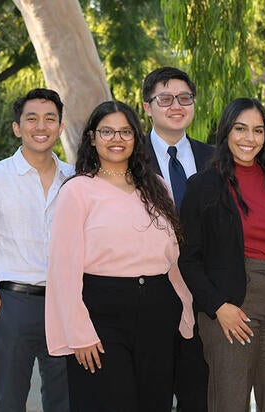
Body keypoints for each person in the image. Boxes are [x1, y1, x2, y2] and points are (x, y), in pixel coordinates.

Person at [45, 101, 195, 411]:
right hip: (101, 311)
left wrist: (185, 306)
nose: (117, 138)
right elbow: (63, 269)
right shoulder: (78, 191)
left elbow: (172, 256)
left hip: (158, 307)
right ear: (92, 138)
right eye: (107, 131)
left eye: (125, 131)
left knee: (154, 402)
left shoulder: (157, 187)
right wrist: (79, 332)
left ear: (136, 137)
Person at [179, 98, 265, 411]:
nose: (249, 138)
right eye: (241, 129)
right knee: (231, 403)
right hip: (230, 308)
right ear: (226, 132)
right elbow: (188, 258)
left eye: (258, 131)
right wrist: (217, 307)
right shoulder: (203, 185)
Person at [0, 88, 72, 412]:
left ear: (60, 127)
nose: (41, 126)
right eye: (31, 118)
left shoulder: (75, 179)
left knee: (66, 402)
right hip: (13, 304)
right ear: (17, 127)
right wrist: (1, 313)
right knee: (7, 404)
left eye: (50, 118)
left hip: (64, 307)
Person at [143, 66, 214, 412]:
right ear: (147, 106)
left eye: (184, 98)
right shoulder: (128, 157)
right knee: (149, 395)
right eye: (165, 98)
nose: (176, 106)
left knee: (198, 395)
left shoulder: (215, 158)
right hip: (148, 294)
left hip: (204, 295)